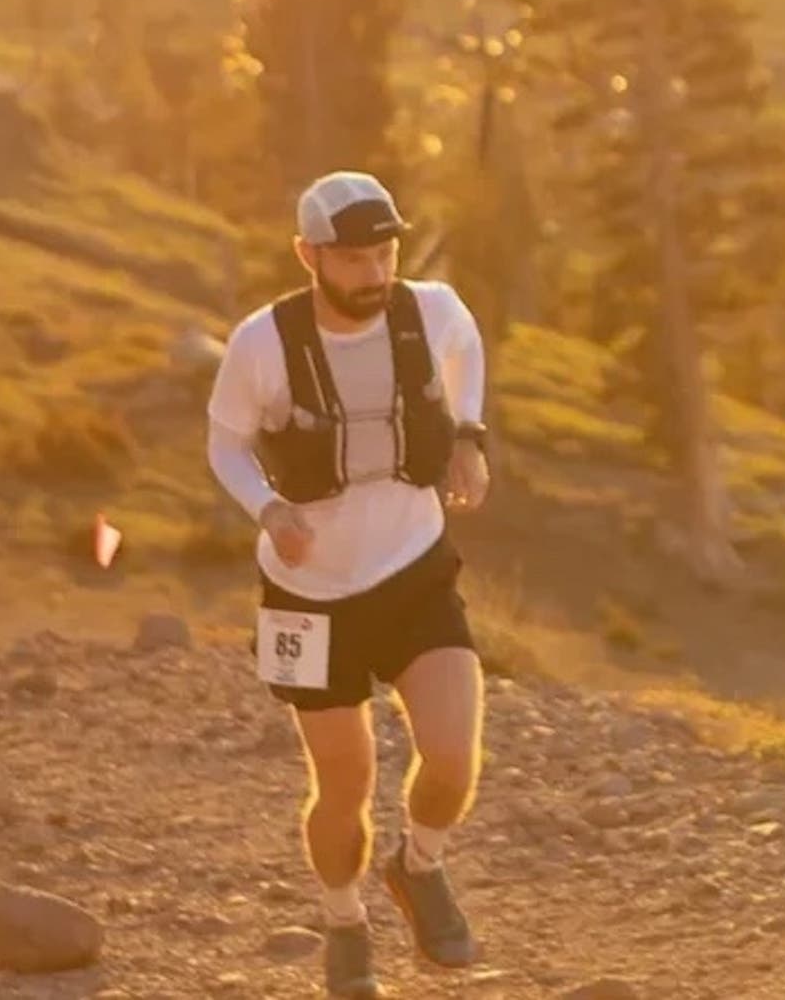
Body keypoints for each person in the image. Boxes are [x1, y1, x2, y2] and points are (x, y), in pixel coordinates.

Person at [206, 172, 492, 999]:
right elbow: (224, 445)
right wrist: (267, 509)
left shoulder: (431, 312)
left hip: (412, 568)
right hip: (306, 596)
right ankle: (343, 920)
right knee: (344, 784)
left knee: (451, 755)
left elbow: (466, 353)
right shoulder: (262, 343)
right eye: (354, 258)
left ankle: (420, 865)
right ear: (308, 255)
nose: (373, 273)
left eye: (384, 253)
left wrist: (469, 437)